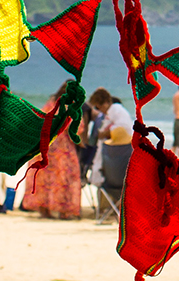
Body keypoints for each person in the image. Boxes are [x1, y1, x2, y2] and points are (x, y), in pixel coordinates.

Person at [16, 92, 81, 219]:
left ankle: (44, 210)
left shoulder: (50, 105)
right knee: (64, 179)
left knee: (44, 180)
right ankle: (63, 212)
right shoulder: (70, 108)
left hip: (45, 145)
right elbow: (76, 129)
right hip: (62, 149)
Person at [89, 88, 135, 222]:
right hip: (120, 173)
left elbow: (124, 128)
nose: (99, 110)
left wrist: (106, 133)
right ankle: (113, 210)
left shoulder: (116, 111)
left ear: (105, 103)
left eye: (99, 107)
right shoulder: (113, 113)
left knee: (103, 174)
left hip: (112, 176)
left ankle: (108, 211)